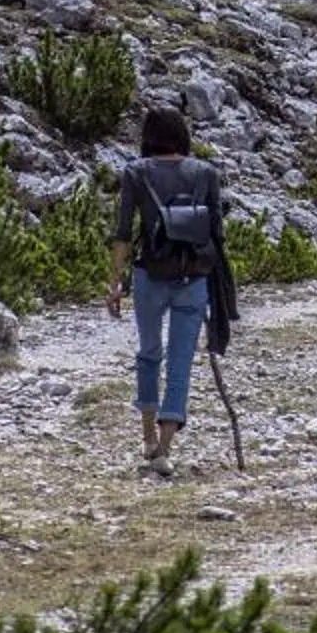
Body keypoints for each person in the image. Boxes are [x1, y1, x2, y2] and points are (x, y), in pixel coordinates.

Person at [108, 106, 226, 477]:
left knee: (148, 353)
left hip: (150, 275)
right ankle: (164, 449)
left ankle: (146, 436)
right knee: (180, 362)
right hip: (194, 278)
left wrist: (115, 282)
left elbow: (123, 232)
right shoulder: (206, 172)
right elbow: (217, 234)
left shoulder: (136, 172)